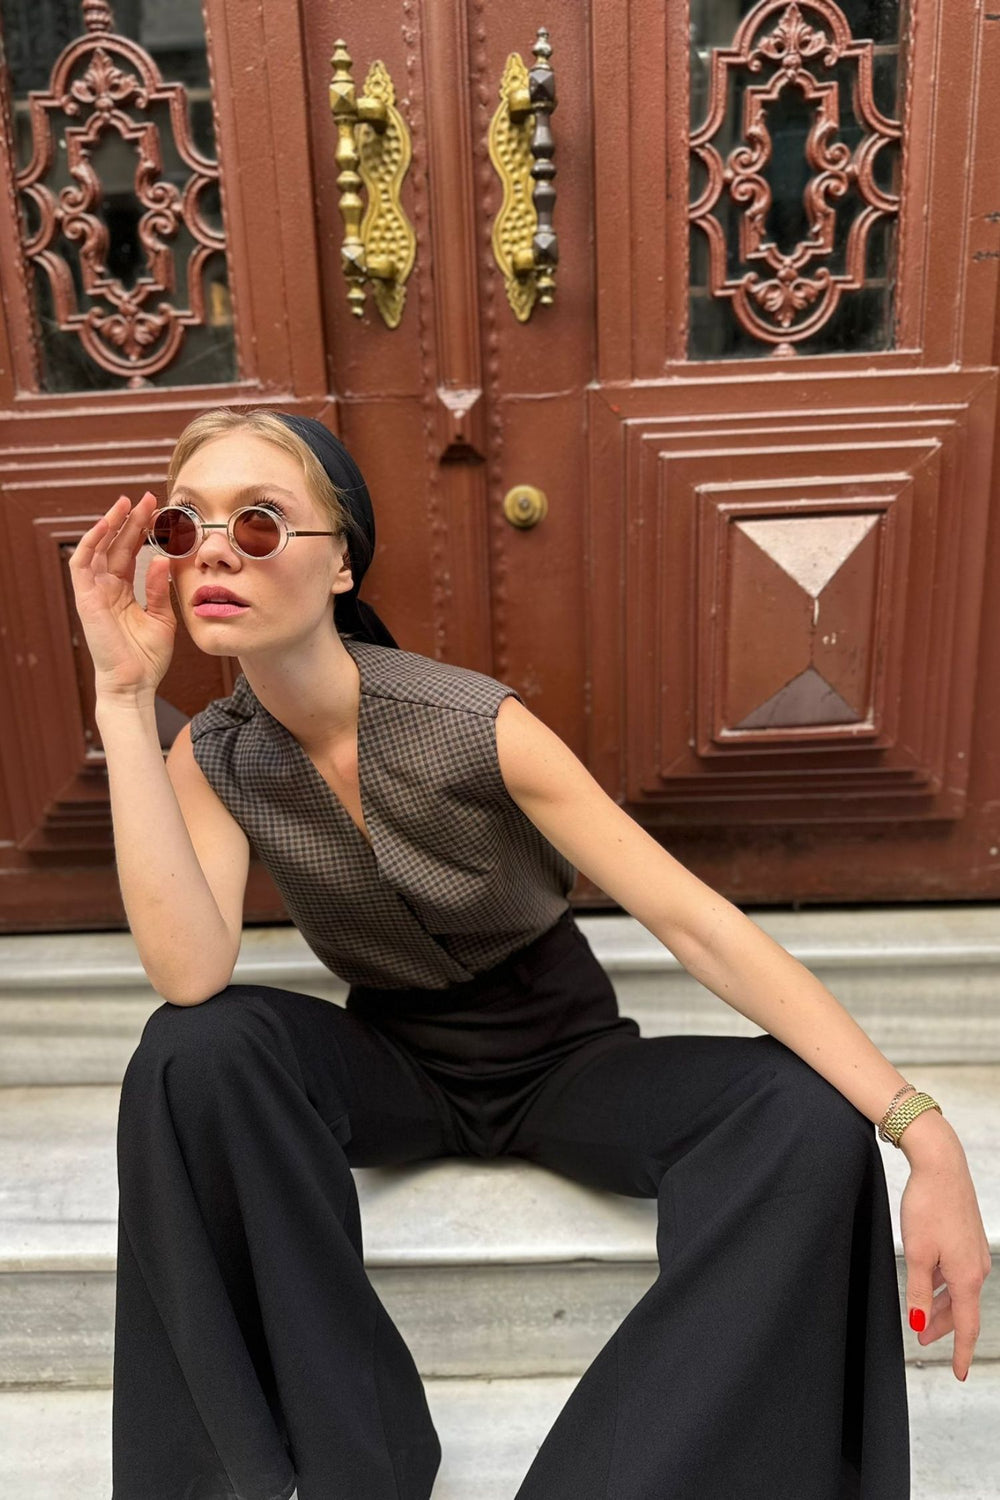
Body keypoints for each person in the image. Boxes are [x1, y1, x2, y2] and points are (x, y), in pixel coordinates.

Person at [69, 405, 990, 1500]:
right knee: (192, 1052)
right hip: (395, 1059)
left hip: (563, 1055)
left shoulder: (471, 724)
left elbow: (695, 923)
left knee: (803, 1119)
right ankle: (350, 1472)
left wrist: (922, 1132)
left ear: (340, 563)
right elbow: (189, 973)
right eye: (184, 526)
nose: (215, 550)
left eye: (259, 523)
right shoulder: (215, 755)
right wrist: (124, 700)